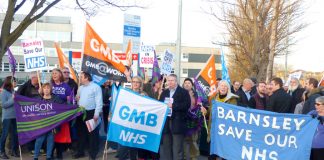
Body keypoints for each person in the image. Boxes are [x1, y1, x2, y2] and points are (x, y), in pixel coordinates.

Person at [159, 74, 191, 160]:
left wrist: (173, 105)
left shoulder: (184, 92)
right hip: (166, 123)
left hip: (177, 123)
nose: (170, 82)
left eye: (172, 80)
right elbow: (160, 105)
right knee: (166, 148)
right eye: (168, 80)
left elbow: (186, 105)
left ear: (176, 81)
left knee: (177, 149)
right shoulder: (164, 92)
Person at [74, 72, 102, 160]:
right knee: (81, 134)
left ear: (86, 78)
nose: (80, 79)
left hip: (91, 113)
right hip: (81, 113)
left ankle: (93, 153)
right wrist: (76, 98)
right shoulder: (80, 88)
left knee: (92, 135)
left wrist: (96, 114)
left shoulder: (96, 87)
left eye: (81, 77)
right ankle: (80, 151)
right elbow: (77, 99)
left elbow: (99, 101)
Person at [208, 80, 238, 160]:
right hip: (214, 129)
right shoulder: (213, 98)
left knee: (225, 154)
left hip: (225, 130)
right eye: (221, 86)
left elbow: (232, 113)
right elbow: (210, 112)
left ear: (228, 88)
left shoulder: (232, 99)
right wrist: (205, 111)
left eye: (225, 86)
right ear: (218, 88)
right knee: (212, 154)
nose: (223, 88)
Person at [34, 83, 63, 160]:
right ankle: (35, 157)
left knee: (50, 140)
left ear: (50, 90)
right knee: (39, 140)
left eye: (48, 88)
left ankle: (49, 156)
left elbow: (63, 107)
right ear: (42, 90)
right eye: (44, 88)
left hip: (53, 123)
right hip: (41, 124)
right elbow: (33, 110)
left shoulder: (56, 99)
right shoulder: (38, 99)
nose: (46, 90)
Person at [50, 68, 72, 159]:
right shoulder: (50, 85)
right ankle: (50, 154)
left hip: (62, 114)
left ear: (60, 75)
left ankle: (59, 154)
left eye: (56, 73)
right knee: (51, 135)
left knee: (60, 134)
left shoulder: (66, 86)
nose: (54, 75)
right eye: (53, 73)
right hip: (51, 114)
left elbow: (69, 100)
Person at [182, 78, 204, 160]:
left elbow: (200, 105)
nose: (187, 84)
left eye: (189, 83)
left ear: (192, 85)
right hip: (183, 119)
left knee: (193, 141)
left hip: (193, 120)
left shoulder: (197, 94)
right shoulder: (180, 93)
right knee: (183, 140)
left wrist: (201, 106)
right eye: (185, 83)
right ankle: (184, 157)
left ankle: (193, 157)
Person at [0, 76, 19, 159]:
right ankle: (2, 152)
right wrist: (12, 99)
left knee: (15, 134)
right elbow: (4, 105)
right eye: (15, 81)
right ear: (10, 82)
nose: (16, 83)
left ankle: (14, 151)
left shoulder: (13, 91)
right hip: (7, 117)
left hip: (15, 117)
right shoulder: (4, 92)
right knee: (5, 134)